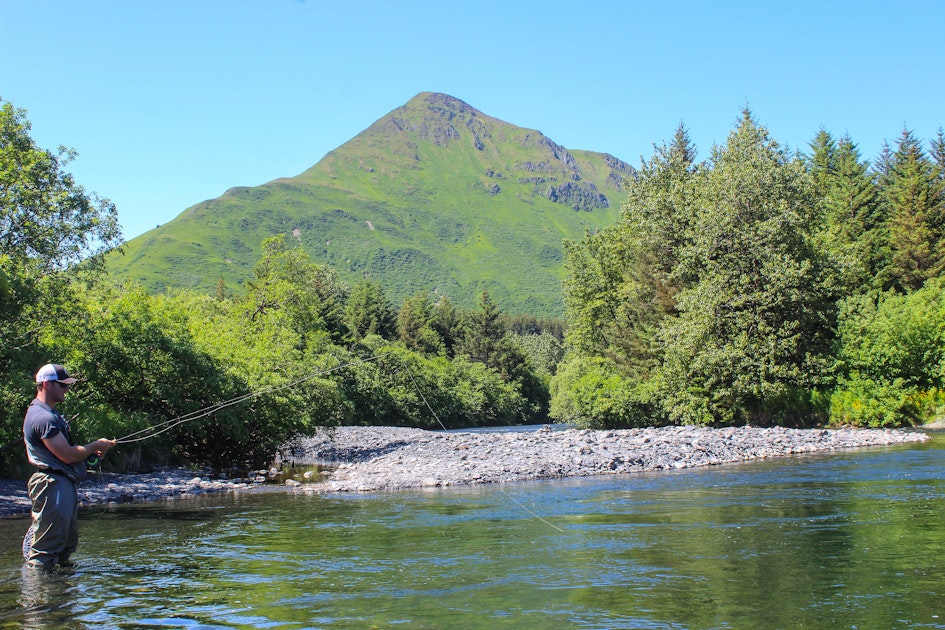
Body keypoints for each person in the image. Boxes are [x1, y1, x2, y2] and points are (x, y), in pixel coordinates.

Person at [22, 363, 115, 570]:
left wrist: (94, 453)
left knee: (66, 545)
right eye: (63, 385)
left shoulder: (51, 416)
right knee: (47, 547)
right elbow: (67, 455)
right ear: (46, 384)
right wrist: (95, 445)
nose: (67, 390)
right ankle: (37, 596)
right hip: (51, 484)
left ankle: (61, 595)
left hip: (61, 483)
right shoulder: (43, 418)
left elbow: (71, 455)